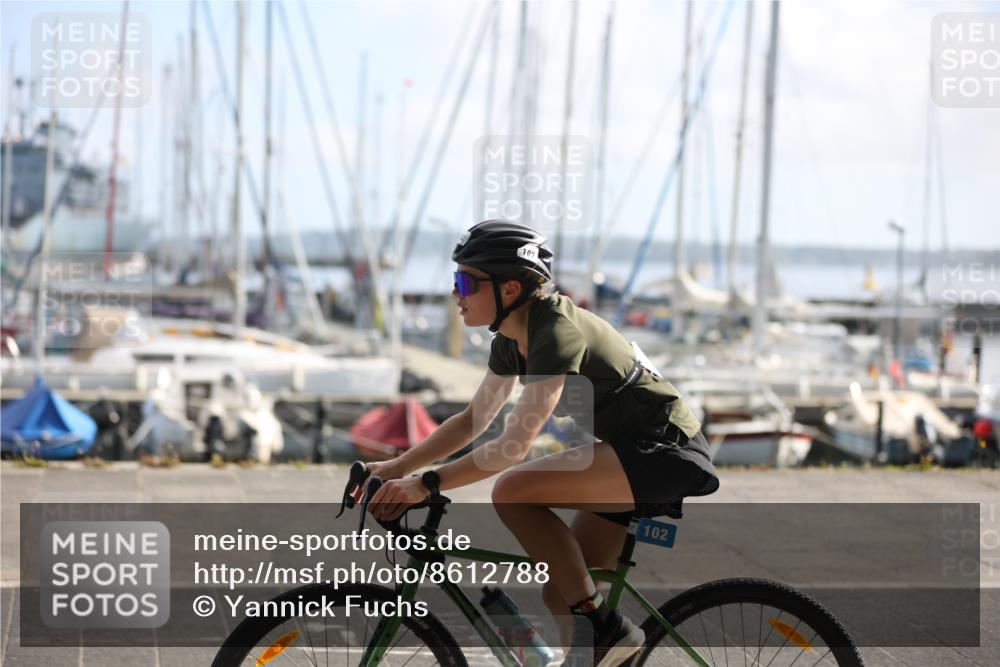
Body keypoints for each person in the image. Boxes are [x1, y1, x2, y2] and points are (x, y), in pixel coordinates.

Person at [364, 220, 719, 667]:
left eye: (465, 281)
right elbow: (473, 420)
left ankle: (607, 631)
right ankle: (601, 643)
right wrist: (397, 467)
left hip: (664, 451)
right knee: (563, 590)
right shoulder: (512, 340)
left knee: (511, 489)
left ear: (510, 289)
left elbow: (513, 446)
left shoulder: (555, 329)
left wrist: (429, 483)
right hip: (631, 452)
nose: (456, 293)